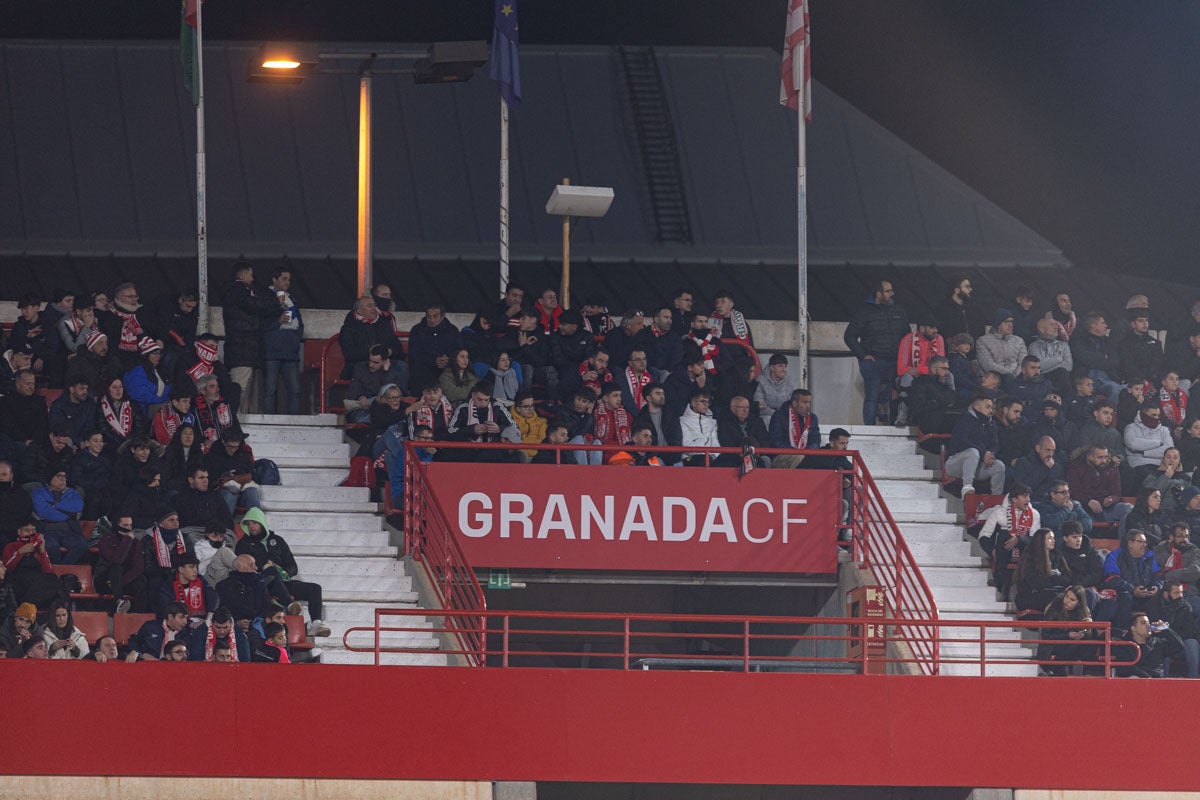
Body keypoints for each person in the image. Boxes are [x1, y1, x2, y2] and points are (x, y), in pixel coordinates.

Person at [235, 507, 330, 638]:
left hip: (283, 582)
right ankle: (289, 605)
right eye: (248, 524)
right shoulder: (243, 544)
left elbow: (292, 567)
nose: (251, 526)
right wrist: (264, 568)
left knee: (314, 588)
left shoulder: (278, 541)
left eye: (254, 522)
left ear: (261, 522)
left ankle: (316, 623)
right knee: (271, 571)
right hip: (261, 585)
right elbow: (243, 567)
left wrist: (283, 572)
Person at [221, 259, 288, 414]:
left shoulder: (236, 291)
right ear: (244, 275)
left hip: (245, 350)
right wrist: (275, 302)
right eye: (251, 275)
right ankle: (233, 422)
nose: (253, 279)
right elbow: (254, 304)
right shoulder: (237, 290)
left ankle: (238, 421)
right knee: (239, 389)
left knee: (246, 390)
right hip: (241, 350)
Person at [843, 280, 909, 425]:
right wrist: (863, 356)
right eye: (888, 291)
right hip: (873, 361)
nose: (892, 293)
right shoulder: (864, 312)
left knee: (895, 393)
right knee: (872, 394)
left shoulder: (899, 311)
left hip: (895, 361)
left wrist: (905, 358)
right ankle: (869, 429)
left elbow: (907, 336)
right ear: (878, 294)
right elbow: (849, 336)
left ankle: (891, 422)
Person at [977, 484, 1040, 594]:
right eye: (1024, 496)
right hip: (1003, 550)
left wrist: (1019, 539)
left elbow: (1035, 538)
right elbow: (984, 535)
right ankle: (1000, 579)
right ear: (1014, 499)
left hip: (1024, 550)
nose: (1028, 500)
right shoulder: (999, 513)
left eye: (1029, 496)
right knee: (1004, 535)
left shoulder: (1034, 514)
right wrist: (992, 551)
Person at [262, 267, 305, 414]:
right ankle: (268, 422)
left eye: (289, 279)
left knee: (295, 391)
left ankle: (293, 423)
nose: (287, 282)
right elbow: (260, 324)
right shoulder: (264, 297)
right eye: (284, 278)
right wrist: (278, 321)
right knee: (270, 390)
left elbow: (299, 321)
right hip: (271, 352)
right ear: (274, 279)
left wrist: (296, 336)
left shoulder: (291, 299)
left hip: (290, 352)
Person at [944, 395, 1005, 496]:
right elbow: (961, 442)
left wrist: (990, 453)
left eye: (992, 408)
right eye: (988, 407)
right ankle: (967, 487)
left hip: (976, 465)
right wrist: (983, 453)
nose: (991, 411)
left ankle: (996, 498)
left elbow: (995, 443)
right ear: (977, 407)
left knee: (999, 466)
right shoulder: (964, 419)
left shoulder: (991, 424)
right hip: (955, 464)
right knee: (973, 452)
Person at [1103, 530, 1162, 631]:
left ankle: (1155, 632)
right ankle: (1122, 631)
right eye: (1141, 542)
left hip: (1146, 595)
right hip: (1124, 595)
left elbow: (1158, 577)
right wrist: (1132, 589)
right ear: (1130, 543)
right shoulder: (1115, 556)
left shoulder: (1150, 557)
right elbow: (1111, 578)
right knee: (1126, 596)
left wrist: (1155, 587)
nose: (1144, 545)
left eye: (1145, 543)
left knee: (1161, 596)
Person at [2, 520, 67, 609]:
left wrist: (42, 550)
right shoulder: (11, 546)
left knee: (53, 580)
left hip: (38, 583)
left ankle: (62, 611)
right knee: (49, 585)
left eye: (33, 531)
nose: (30, 534)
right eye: (26, 530)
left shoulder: (38, 549)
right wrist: (20, 552)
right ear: (19, 531)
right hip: (19, 582)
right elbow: (6, 568)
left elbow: (48, 571)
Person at [173, 332, 240, 417]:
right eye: (211, 346)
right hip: (195, 395)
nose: (214, 349)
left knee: (234, 387)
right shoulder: (186, 359)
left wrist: (216, 363)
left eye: (216, 347)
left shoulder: (215, 363)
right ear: (201, 345)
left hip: (214, 394)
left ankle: (229, 417)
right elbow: (180, 382)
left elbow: (225, 382)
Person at [1036, 585, 1099, 676]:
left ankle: (1084, 671)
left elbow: (1092, 636)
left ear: (1078, 603)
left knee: (1091, 644)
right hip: (1054, 645)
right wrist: (1068, 635)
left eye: (1072, 600)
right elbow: (1045, 634)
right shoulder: (1055, 607)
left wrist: (1090, 626)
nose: (1067, 601)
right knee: (1072, 644)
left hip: (1072, 649)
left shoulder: (1083, 611)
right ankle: (1053, 669)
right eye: (1066, 596)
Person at [1068, 445, 1133, 529]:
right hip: (1085, 511)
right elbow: (1074, 492)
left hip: (1107, 510)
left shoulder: (1112, 468)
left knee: (1128, 509)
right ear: (1090, 457)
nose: (1104, 461)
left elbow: (1117, 494)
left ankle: (1125, 541)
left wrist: (1112, 499)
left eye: (1106, 457)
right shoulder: (1076, 468)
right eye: (1100, 457)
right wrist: (1088, 501)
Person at [1144, 580, 1200, 677]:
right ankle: (1162, 681)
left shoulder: (1185, 606)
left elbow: (1190, 631)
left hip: (1179, 643)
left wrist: (1171, 634)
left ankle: (1194, 678)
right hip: (1161, 641)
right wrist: (1158, 628)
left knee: (1192, 643)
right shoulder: (1152, 605)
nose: (1180, 596)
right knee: (1161, 647)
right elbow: (1150, 628)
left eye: (1181, 592)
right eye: (1176, 593)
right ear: (1166, 594)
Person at [30, 469, 87, 564]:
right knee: (51, 546)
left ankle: (61, 570)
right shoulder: (39, 493)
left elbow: (78, 506)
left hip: (69, 530)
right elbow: (45, 513)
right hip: (47, 531)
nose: (63, 479)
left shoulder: (72, 493)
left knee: (82, 545)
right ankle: (55, 573)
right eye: (59, 476)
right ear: (50, 478)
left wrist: (55, 505)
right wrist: (67, 514)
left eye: (64, 476)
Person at [95, 513, 147, 614]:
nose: (129, 528)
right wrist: (127, 540)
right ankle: (119, 601)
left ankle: (139, 616)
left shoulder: (136, 542)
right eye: (125, 525)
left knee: (141, 582)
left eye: (130, 525)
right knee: (116, 568)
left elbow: (138, 568)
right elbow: (116, 560)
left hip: (121, 581)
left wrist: (119, 583)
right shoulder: (105, 541)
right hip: (106, 579)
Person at [1013, 528, 1069, 614]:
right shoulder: (1030, 557)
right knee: (1055, 598)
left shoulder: (1057, 556)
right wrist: (1055, 578)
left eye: (1053, 538)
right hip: (1029, 596)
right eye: (1050, 538)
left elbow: (1067, 578)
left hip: (1053, 592)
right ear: (1041, 540)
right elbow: (1036, 582)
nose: (1053, 541)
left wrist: (1050, 578)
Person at [1071, 311, 1123, 402]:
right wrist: (1103, 356)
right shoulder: (1078, 339)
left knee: (1116, 389)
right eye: (1103, 323)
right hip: (1085, 380)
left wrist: (1093, 361)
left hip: (1107, 380)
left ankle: (1110, 415)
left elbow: (1115, 362)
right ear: (1093, 325)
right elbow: (1083, 357)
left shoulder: (1108, 342)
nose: (1106, 326)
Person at [408, 303, 461, 391]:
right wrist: (433, 360)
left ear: (442, 316)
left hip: (447, 367)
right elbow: (413, 354)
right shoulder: (417, 330)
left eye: (435, 316)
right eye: (429, 316)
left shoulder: (452, 331)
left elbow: (458, 351)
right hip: (424, 367)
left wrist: (448, 360)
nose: (432, 320)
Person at [1114, 611, 1183, 678]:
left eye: (1148, 623)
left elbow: (1178, 646)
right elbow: (1127, 669)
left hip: (1157, 682)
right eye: (1143, 623)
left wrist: (1166, 630)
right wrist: (1147, 678)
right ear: (1133, 628)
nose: (1148, 625)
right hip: (1137, 681)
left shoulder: (1156, 642)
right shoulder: (1125, 645)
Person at [176, 466, 234, 545]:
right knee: (190, 538)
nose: (206, 480)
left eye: (207, 477)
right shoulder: (180, 498)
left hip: (216, 531)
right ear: (191, 480)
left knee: (229, 539)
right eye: (201, 477)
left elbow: (227, 519)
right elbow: (180, 522)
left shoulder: (215, 496)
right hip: (193, 530)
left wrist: (217, 530)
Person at [0, 370, 50, 459]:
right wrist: (25, 440)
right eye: (28, 384)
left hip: (38, 441)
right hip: (16, 441)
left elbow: (44, 424)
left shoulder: (39, 401)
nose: (31, 387)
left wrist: (35, 441)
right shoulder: (5, 402)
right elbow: (9, 426)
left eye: (33, 384)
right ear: (17, 384)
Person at [126, 601, 198, 661]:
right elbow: (133, 641)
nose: (185, 622)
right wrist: (138, 654)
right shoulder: (150, 627)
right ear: (170, 617)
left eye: (186, 618)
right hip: (149, 667)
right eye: (181, 618)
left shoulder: (186, 634)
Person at [1153, 523, 1200, 614]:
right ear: (1171, 537)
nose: (1185, 540)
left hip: (1189, 593)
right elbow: (1157, 572)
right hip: (1165, 593)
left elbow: (1195, 571)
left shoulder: (1194, 551)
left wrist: (1169, 575)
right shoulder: (1160, 550)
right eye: (1180, 536)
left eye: (1186, 536)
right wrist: (1182, 574)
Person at [94, 374, 147, 452]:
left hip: (133, 443)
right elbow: (104, 429)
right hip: (112, 444)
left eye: (120, 387)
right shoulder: (101, 407)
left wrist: (130, 441)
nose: (118, 390)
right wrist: (122, 442)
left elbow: (139, 427)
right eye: (114, 387)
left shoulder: (133, 404)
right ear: (107, 389)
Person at [769, 389, 820, 469]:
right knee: (798, 457)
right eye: (805, 402)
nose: (808, 406)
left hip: (805, 455)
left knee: (821, 459)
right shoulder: (779, 416)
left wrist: (806, 452)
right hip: (781, 456)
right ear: (795, 403)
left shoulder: (812, 418)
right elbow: (776, 441)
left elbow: (816, 440)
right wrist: (795, 452)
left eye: (809, 402)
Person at [1125, 402, 1174, 481]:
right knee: (1150, 478)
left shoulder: (1164, 430)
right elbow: (1133, 444)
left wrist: (1144, 452)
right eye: (1153, 415)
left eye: (1158, 415)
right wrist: (1158, 443)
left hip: (1160, 465)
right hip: (1139, 464)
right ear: (1143, 414)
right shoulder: (1131, 428)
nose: (1156, 418)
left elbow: (1168, 450)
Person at [976, 309, 1028, 381]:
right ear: (998, 324)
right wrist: (1009, 374)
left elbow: (1023, 362)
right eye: (1006, 322)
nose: (1010, 325)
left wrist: (1016, 375)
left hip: (1017, 379)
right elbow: (987, 364)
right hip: (993, 380)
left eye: (1011, 321)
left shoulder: (1019, 341)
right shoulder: (983, 341)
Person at [1010, 436, 1065, 504]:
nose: (1050, 454)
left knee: (1076, 505)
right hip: (1032, 502)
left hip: (1053, 502)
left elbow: (1061, 488)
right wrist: (1044, 468)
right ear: (1038, 448)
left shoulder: (1057, 467)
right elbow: (1022, 489)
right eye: (1047, 450)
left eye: (1053, 451)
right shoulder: (1023, 463)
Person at [1028, 316, 1074, 396]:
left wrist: (1049, 364)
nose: (1056, 327)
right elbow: (1038, 366)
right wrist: (1058, 359)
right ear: (1042, 329)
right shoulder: (1034, 346)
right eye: (1052, 325)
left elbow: (1069, 366)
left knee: (1062, 372)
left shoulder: (1064, 345)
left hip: (1061, 379)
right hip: (1043, 378)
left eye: (1056, 324)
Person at [933, 275, 986, 342]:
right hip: (952, 350)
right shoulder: (942, 309)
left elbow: (981, 330)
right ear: (957, 290)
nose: (970, 289)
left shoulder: (974, 309)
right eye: (967, 286)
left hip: (973, 350)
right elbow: (940, 333)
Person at [48, 376, 98, 448]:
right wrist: (77, 442)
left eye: (86, 389)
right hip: (65, 443)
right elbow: (59, 428)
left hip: (85, 443)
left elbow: (90, 427)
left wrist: (85, 442)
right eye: (81, 389)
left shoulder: (90, 404)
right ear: (72, 389)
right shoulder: (59, 405)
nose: (85, 392)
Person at [1117, 308, 1163, 384]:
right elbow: (1127, 365)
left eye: (1147, 320)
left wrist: (1148, 378)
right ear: (1133, 324)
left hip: (1153, 381)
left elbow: (1157, 364)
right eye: (1141, 320)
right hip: (1132, 382)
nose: (1145, 323)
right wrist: (1141, 379)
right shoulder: (1124, 344)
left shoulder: (1156, 343)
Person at [123, 336, 170, 408]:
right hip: (143, 412)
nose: (158, 356)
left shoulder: (158, 370)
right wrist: (160, 401)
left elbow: (167, 389)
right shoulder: (137, 371)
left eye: (159, 353)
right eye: (155, 353)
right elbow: (139, 393)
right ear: (146, 355)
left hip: (160, 407)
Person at [678, 387, 720, 467]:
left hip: (710, 457)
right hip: (690, 458)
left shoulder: (713, 422)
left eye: (708, 402)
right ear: (693, 403)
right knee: (702, 460)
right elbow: (686, 444)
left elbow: (716, 443)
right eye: (703, 401)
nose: (706, 405)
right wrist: (703, 446)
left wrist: (716, 457)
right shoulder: (682, 421)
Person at [193, 373, 238, 446]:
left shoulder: (225, 405)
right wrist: (204, 441)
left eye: (217, 386)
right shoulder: (194, 409)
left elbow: (236, 427)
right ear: (203, 391)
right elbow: (193, 433)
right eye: (212, 386)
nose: (217, 389)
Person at [1142, 447, 1188, 516]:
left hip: (1177, 513)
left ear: (1179, 461)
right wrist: (1166, 477)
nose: (1171, 460)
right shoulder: (1153, 474)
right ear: (1163, 460)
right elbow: (1151, 494)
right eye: (1168, 457)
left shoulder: (1185, 477)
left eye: (1175, 458)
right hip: (1155, 512)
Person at [753, 354, 796, 426]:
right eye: (780, 366)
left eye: (785, 366)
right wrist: (776, 414)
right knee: (767, 419)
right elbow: (760, 405)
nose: (784, 369)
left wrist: (783, 414)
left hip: (785, 415)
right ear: (772, 368)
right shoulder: (760, 381)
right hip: (766, 415)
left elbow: (793, 402)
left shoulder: (790, 380)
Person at [645, 305, 682, 378]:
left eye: (670, 318)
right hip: (646, 372)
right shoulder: (643, 335)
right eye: (666, 317)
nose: (669, 321)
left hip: (667, 373)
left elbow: (677, 358)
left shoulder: (675, 337)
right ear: (656, 319)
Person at [511, 391, 546, 461]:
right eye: (526, 406)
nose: (530, 409)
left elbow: (542, 442)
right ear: (518, 409)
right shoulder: (510, 422)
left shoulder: (541, 422)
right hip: (519, 457)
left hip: (538, 457)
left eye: (532, 405)